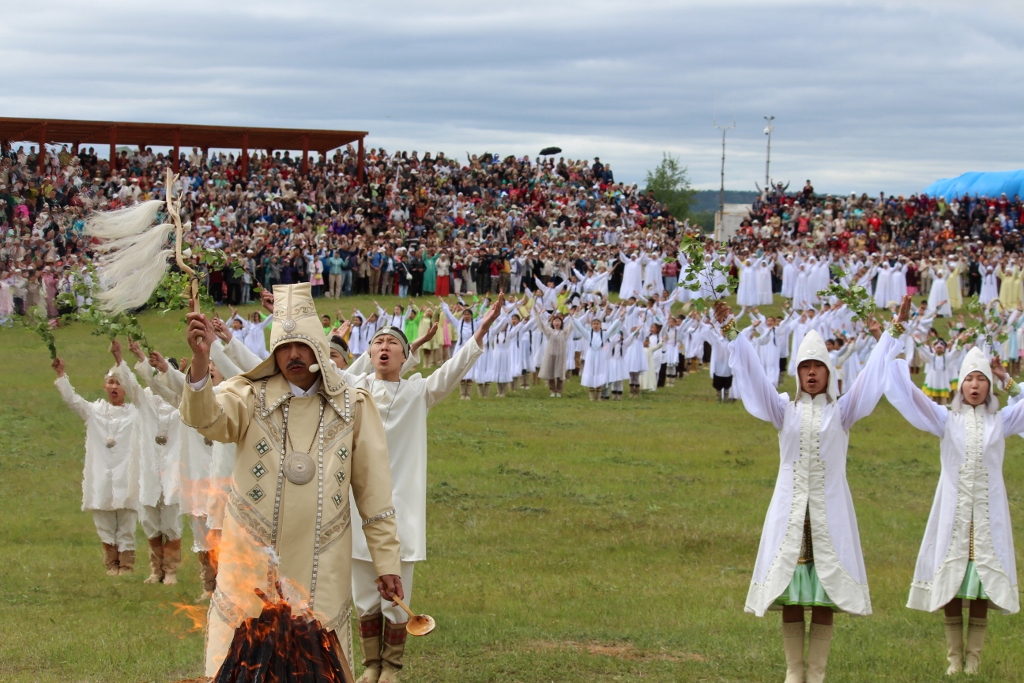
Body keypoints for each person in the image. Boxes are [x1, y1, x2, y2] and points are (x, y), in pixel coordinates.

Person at [180, 283, 404, 677]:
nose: (293, 355)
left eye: (301, 346)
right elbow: (207, 418)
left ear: (318, 346)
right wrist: (201, 363)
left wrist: (387, 563)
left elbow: (375, 495)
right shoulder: (249, 395)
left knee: (316, 666)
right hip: (252, 561)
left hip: (323, 560)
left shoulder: (352, 405)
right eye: (283, 347)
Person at [719, 295, 910, 683]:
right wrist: (732, 335)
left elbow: (873, 374)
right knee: (792, 595)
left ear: (828, 373)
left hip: (829, 515)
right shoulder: (783, 409)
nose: (810, 373)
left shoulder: (843, 411)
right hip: (790, 512)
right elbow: (754, 376)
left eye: (817, 367)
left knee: (825, 596)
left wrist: (891, 334)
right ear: (797, 372)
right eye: (804, 367)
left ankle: (817, 673)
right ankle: (794, 671)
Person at [348, 296, 503, 683]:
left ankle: (392, 668)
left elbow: (452, 370)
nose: (384, 347)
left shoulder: (418, 393)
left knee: (399, 592)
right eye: (378, 342)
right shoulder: (353, 390)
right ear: (368, 352)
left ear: (406, 358)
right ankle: (370, 665)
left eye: (393, 344)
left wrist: (480, 331)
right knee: (364, 592)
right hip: (357, 505)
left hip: (402, 506)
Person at [885, 346, 1023, 676]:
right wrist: (891, 347)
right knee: (950, 585)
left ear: (989, 387)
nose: (975, 386)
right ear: (960, 385)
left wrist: (1009, 380)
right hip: (953, 512)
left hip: (988, 514)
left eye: (981, 380)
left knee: (979, 587)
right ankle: (953, 658)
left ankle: (973, 658)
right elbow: (910, 394)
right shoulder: (947, 420)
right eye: (969, 379)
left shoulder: (1000, 421)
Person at [52, 347, 139, 576]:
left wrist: (121, 360)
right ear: (104, 386)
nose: (114, 387)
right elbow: (73, 400)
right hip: (101, 473)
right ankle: (111, 564)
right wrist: (61, 375)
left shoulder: (136, 414)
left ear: (126, 388)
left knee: (127, 521)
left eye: (118, 383)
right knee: (104, 521)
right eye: (110, 382)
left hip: (126, 474)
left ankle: (127, 564)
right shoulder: (94, 412)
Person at [112, 339, 184, 586]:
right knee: (151, 521)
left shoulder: (182, 403)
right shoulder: (144, 399)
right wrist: (122, 359)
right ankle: (156, 570)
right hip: (149, 468)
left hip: (173, 468)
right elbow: (131, 384)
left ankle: (171, 570)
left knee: (171, 520)